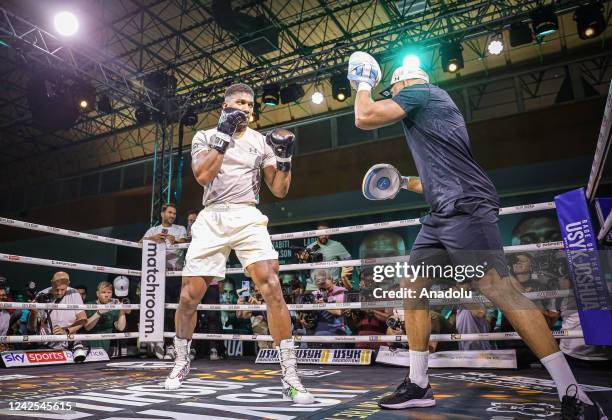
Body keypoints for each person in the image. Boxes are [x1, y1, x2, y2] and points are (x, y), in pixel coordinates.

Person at [348, 52, 602, 418]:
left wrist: (364, 82)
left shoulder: (421, 92)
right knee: (413, 285)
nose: (393, 95)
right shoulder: (429, 115)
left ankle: (572, 391)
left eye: (394, 89)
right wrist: (402, 182)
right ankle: (418, 384)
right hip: (442, 211)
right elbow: (437, 181)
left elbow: (364, 116)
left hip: (466, 205)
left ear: (403, 84)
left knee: (500, 289)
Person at [164, 82, 313, 404]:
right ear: (226, 105)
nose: (246, 108)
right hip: (212, 216)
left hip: (247, 213)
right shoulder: (205, 136)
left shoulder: (261, 142)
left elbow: (280, 190)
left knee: (271, 284)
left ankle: (290, 374)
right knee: (190, 296)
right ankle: (180, 361)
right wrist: (223, 134)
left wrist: (285, 160)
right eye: (241, 103)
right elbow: (203, 176)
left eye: (250, 104)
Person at [142, 203, 188, 358]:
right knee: (159, 310)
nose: (172, 216)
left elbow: (187, 243)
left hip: (175, 275)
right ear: (162, 214)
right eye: (169, 213)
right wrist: (151, 239)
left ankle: (175, 345)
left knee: (174, 310)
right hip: (157, 275)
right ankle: (163, 344)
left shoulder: (180, 229)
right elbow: (139, 243)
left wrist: (176, 241)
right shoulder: (153, 230)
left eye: (174, 213)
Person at [27, 272, 88, 358]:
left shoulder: (74, 293)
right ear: (51, 283)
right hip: (46, 345)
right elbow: (32, 327)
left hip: (68, 343)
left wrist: (66, 331)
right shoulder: (42, 295)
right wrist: (34, 313)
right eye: (56, 289)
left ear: (68, 284)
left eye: (63, 289)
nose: (59, 293)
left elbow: (83, 319)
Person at [84, 281, 127, 353]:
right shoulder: (89, 305)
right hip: (88, 348)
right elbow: (87, 327)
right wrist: (99, 313)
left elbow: (120, 327)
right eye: (103, 292)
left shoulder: (114, 308)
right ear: (97, 294)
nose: (106, 295)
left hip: (104, 350)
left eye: (109, 292)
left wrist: (122, 309)